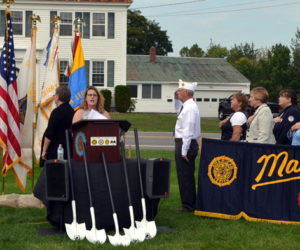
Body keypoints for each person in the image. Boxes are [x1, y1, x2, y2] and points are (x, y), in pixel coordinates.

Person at [174, 79, 201, 213]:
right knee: (184, 174)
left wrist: (184, 151)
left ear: (186, 92)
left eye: (179, 90)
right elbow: (177, 110)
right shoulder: (186, 105)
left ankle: (189, 205)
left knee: (186, 175)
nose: (177, 92)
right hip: (184, 143)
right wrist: (176, 99)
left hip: (186, 144)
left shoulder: (190, 108)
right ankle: (188, 203)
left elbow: (188, 131)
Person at [41, 86, 74, 163]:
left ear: (57, 97)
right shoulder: (72, 111)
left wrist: (44, 150)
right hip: (69, 150)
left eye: (54, 95)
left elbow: (49, 133)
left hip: (56, 151)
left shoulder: (56, 112)